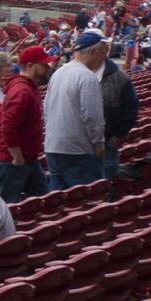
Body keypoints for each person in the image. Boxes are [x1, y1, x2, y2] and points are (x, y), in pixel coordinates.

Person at [43, 30, 108, 191]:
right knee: (87, 201)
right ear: (93, 51)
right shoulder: (87, 78)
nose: (104, 58)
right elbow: (92, 117)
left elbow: (46, 109)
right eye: (102, 52)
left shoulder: (58, 73)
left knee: (58, 202)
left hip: (53, 146)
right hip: (77, 150)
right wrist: (99, 144)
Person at [0, 45, 53, 202]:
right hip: (11, 161)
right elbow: (7, 126)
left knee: (45, 203)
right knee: (7, 210)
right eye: (44, 64)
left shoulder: (27, 87)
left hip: (27, 159)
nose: (48, 67)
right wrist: (17, 157)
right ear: (30, 65)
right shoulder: (22, 91)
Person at [99, 46, 140, 176]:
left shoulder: (119, 76)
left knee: (106, 179)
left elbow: (132, 108)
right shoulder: (78, 72)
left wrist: (119, 135)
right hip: (84, 142)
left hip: (108, 139)